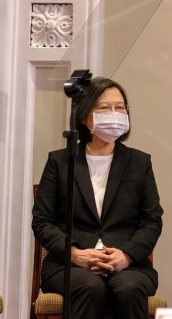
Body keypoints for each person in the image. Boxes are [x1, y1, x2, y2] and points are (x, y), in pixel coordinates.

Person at [32, 77, 163, 319]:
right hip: (69, 264)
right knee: (90, 287)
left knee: (129, 288)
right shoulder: (60, 161)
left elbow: (152, 220)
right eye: (104, 107)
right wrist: (75, 254)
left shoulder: (139, 162)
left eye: (120, 107)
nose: (114, 113)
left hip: (128, 264)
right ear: (84, 116)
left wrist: (126, 255)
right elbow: (42, 221)